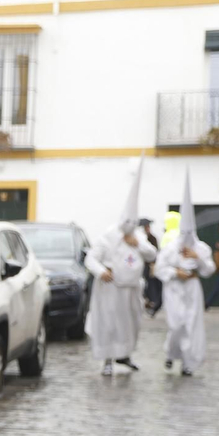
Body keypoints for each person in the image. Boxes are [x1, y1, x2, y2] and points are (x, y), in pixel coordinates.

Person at [84, 161, 157, 376]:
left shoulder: (139, 237)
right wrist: (102, 272)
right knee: (109, 324)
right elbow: (91, 259)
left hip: (132, 289)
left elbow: (152, 254)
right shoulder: (108, 236)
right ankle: (107, 359)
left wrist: (138, 244)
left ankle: (126, 355)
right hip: (110, 289)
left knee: (130, 324)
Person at [158, 172, 216, 376]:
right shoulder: (170, 247)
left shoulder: (201, 248)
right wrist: (175, 272)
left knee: (191, 325)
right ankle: (170, 352)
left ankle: (187, 362)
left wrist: (197, 258)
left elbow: (209, 270)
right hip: (174, 289)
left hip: (192, 289)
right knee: (176, 324)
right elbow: (159, 268)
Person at [138, 217, 163, 316]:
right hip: (142, 266)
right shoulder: (140, 238)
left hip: (150, 266)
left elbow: (154, 252)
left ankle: (153, 303)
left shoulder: (152, 238)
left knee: (152, 284)